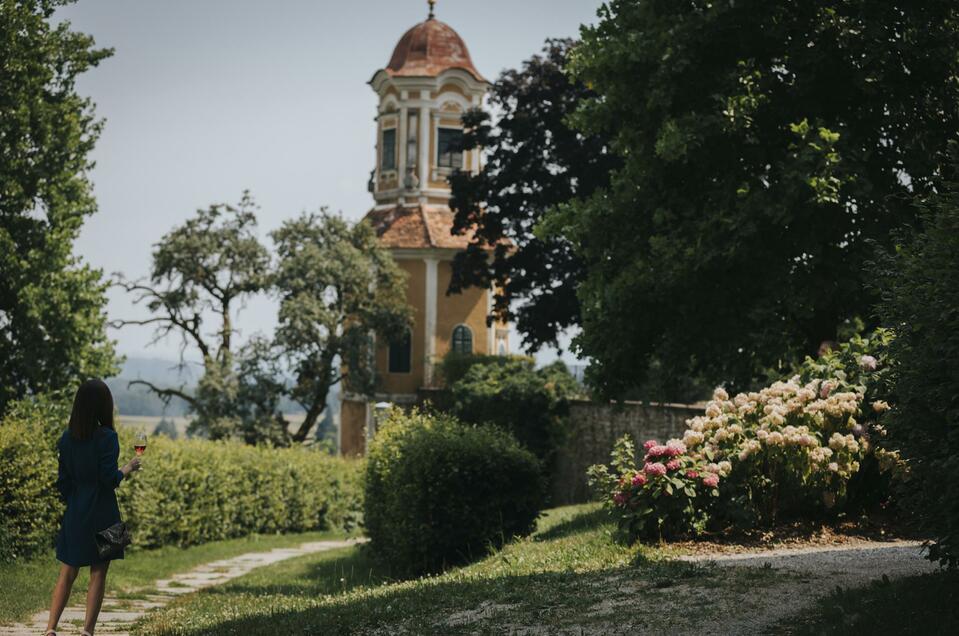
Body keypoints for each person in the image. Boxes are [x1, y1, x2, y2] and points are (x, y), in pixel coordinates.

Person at [45, 379, 141, 636]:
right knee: (99, 574)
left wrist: (77, 501)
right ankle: (87, 632)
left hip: (76, 512)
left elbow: (62, 483)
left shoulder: (66, 439)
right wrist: (128, 468)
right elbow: (109, 479)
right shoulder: (108, 437)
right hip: (104, 512)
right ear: (103, 406)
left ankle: (50, 629)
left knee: (67, 573)